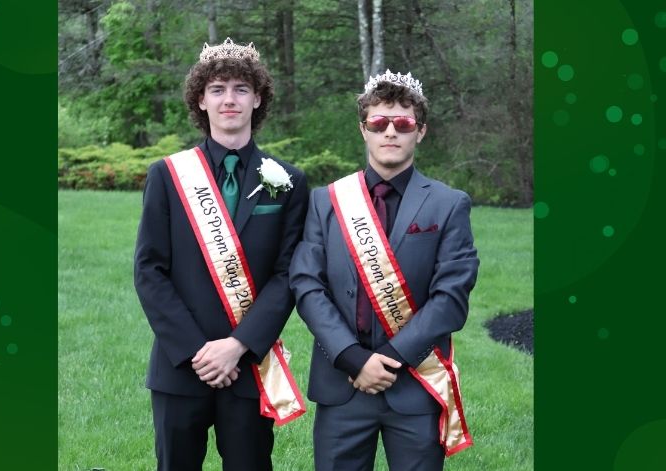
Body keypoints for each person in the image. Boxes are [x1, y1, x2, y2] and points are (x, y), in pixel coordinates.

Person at [289, 70, 479, 470]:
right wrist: (353, 358)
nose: (390, 132)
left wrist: (389, 359)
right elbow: (307, 286)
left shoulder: (449, 203)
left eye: (403, 123)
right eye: (378, 122)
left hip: (414, 385)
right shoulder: (326, 201)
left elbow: (451, 298)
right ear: (364, 130)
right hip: (342, 382)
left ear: (420, 131)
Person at [134, 38, 308, 471]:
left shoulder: (288, 181)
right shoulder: (167, 176)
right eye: (217, 89)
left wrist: (237, 346)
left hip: (248, 366)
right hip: (180, 365)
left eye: (241, 89)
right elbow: (149, 270)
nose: (229, 99)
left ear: (258, 99)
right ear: (201, 100)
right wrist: (198, 351)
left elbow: (287, 275)